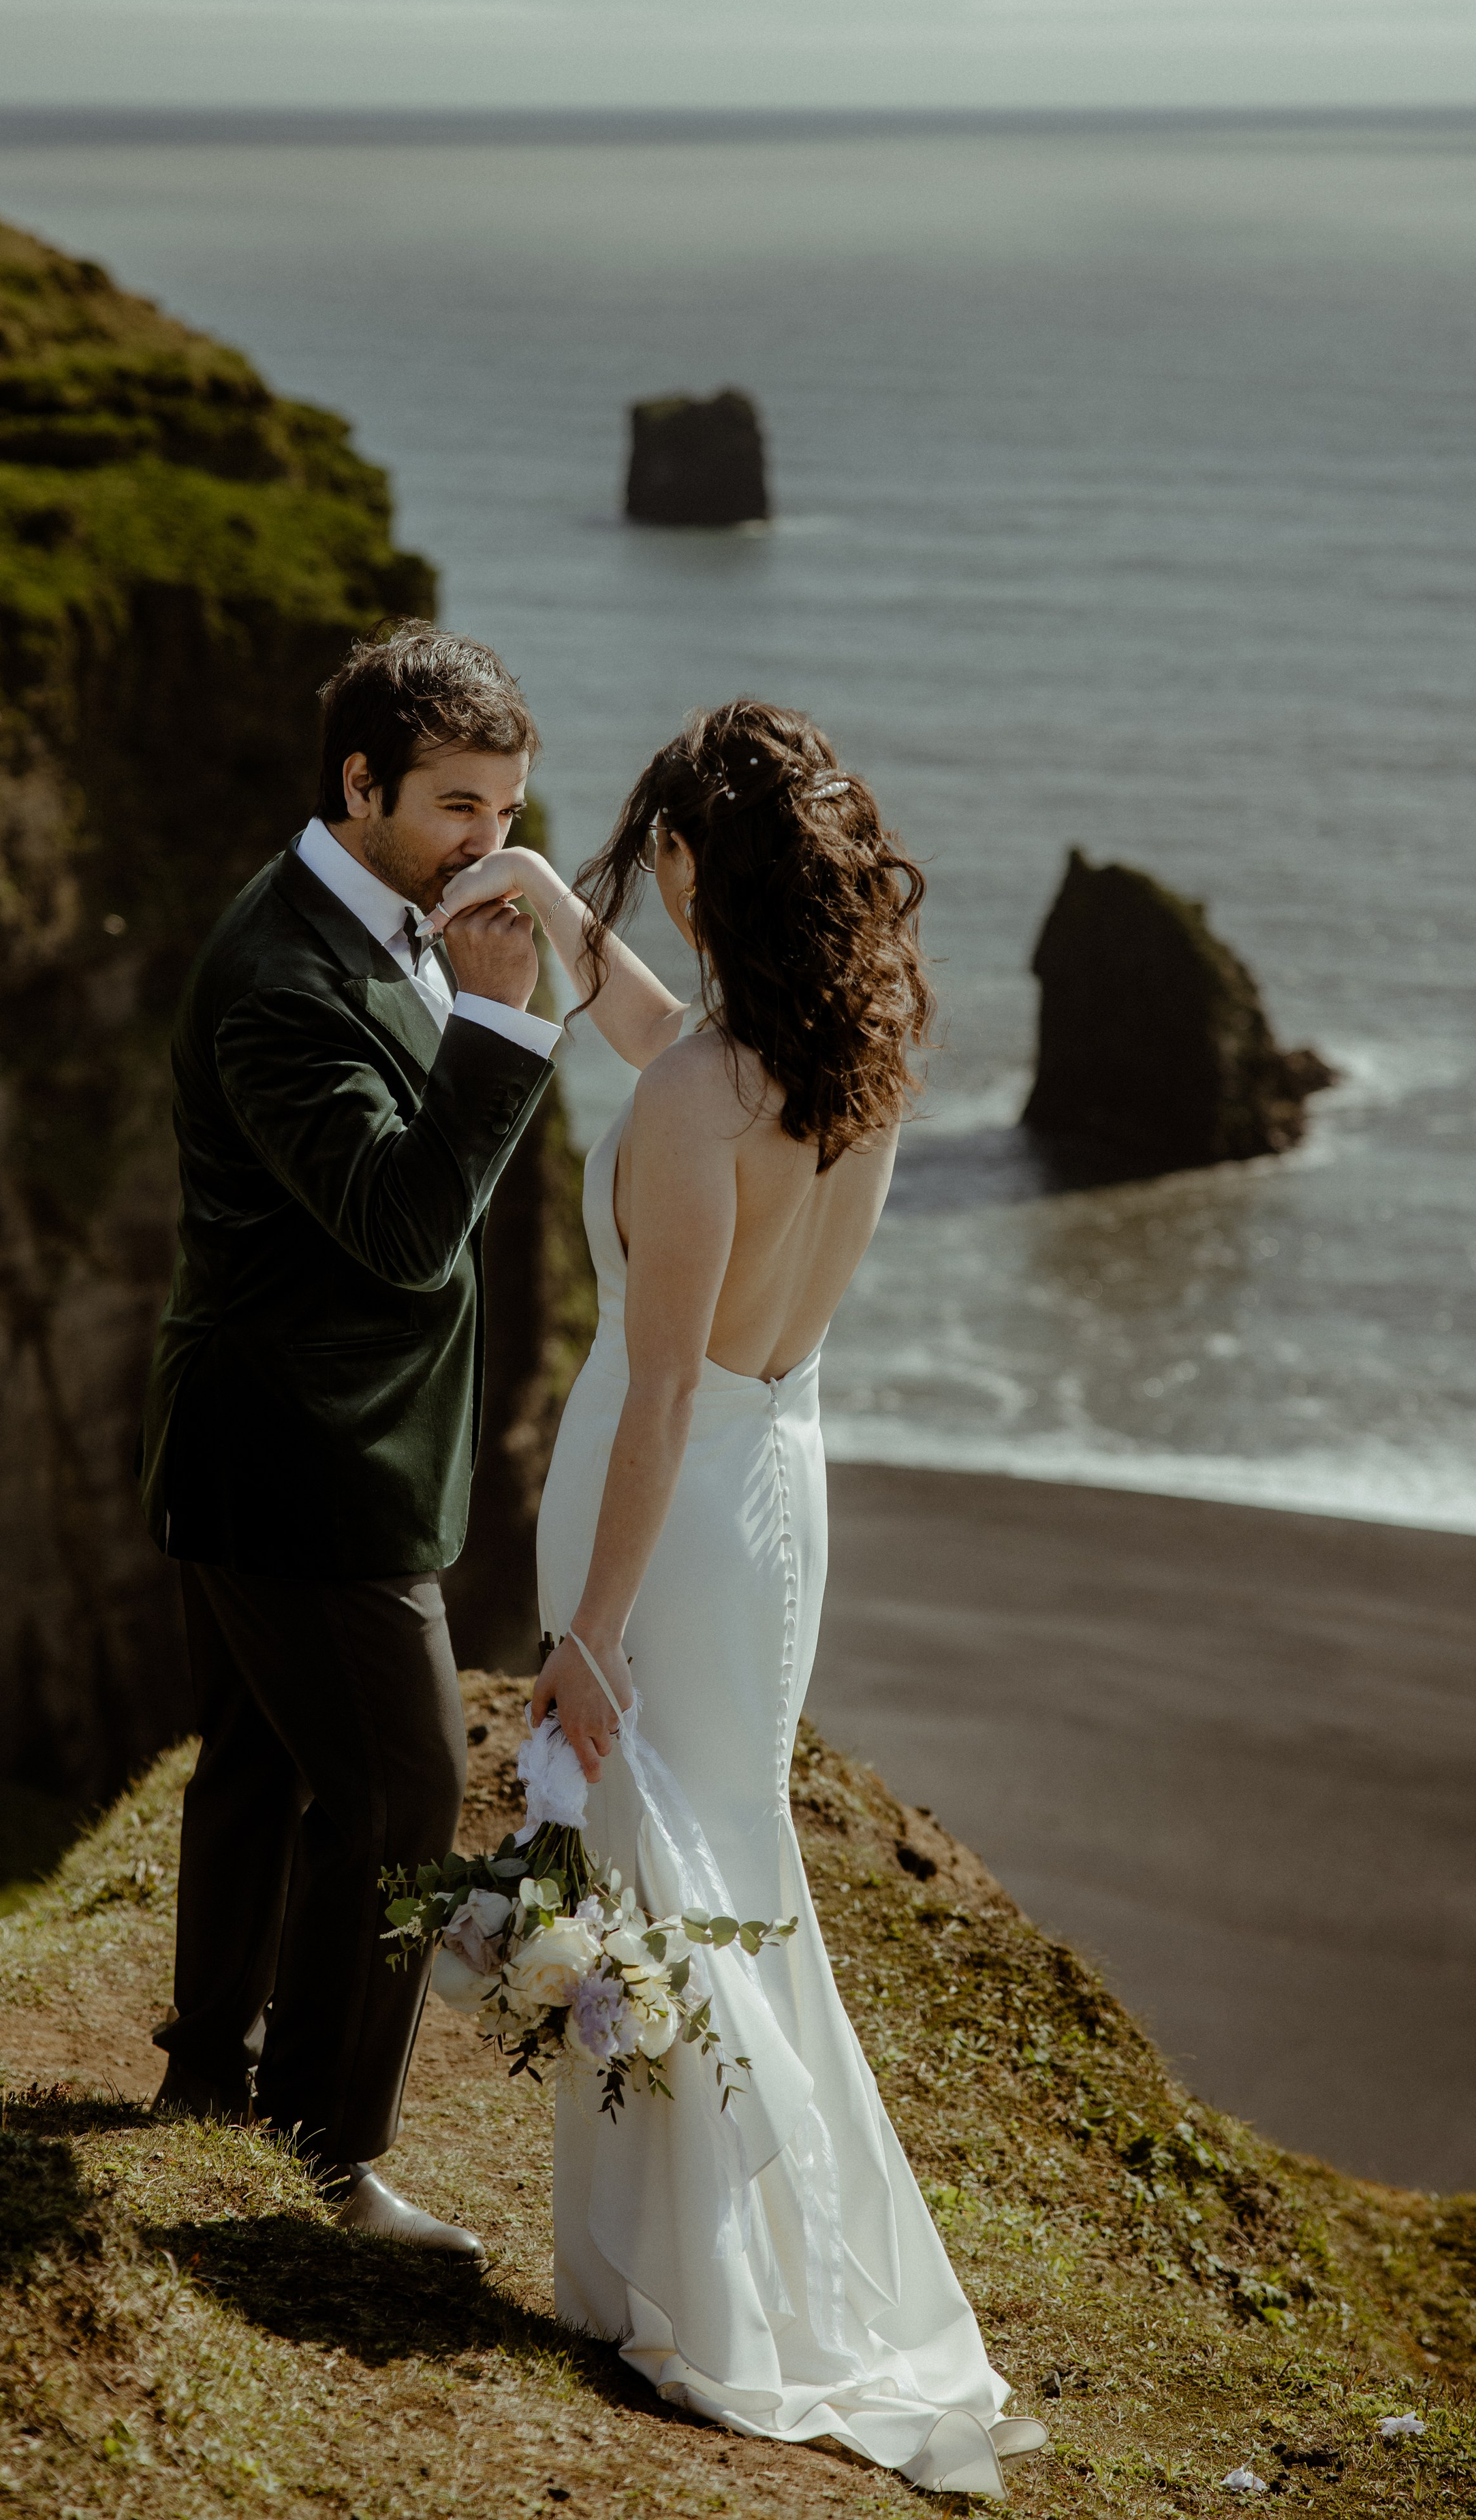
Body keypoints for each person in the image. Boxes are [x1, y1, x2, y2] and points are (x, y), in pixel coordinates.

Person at [424, 699, 1048, 2494]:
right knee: (708, 1859)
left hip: (675, 1510)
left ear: (703, 861)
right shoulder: (847, 1057)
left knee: (656, 1865)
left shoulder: (711, 1087)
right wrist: (544, 894)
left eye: (658, 849)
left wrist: (588, 1631)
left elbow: (668, 1381)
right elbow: (656, 1037)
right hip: (781, 1495)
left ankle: (702, 2301)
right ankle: (661, 2286)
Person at [138, 622, 563, 2256]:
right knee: (398, 1794)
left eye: (506, 806)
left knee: (257, 1762)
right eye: (457, 805)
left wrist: (473, 981)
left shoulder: (381, 916)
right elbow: (399, 1226)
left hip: (292, 1435)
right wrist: (505, 1027)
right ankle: (328, 2156)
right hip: (298, 1460)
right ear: (360, 781)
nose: (490, 844)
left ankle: (205, 2086)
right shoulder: (280, 977)